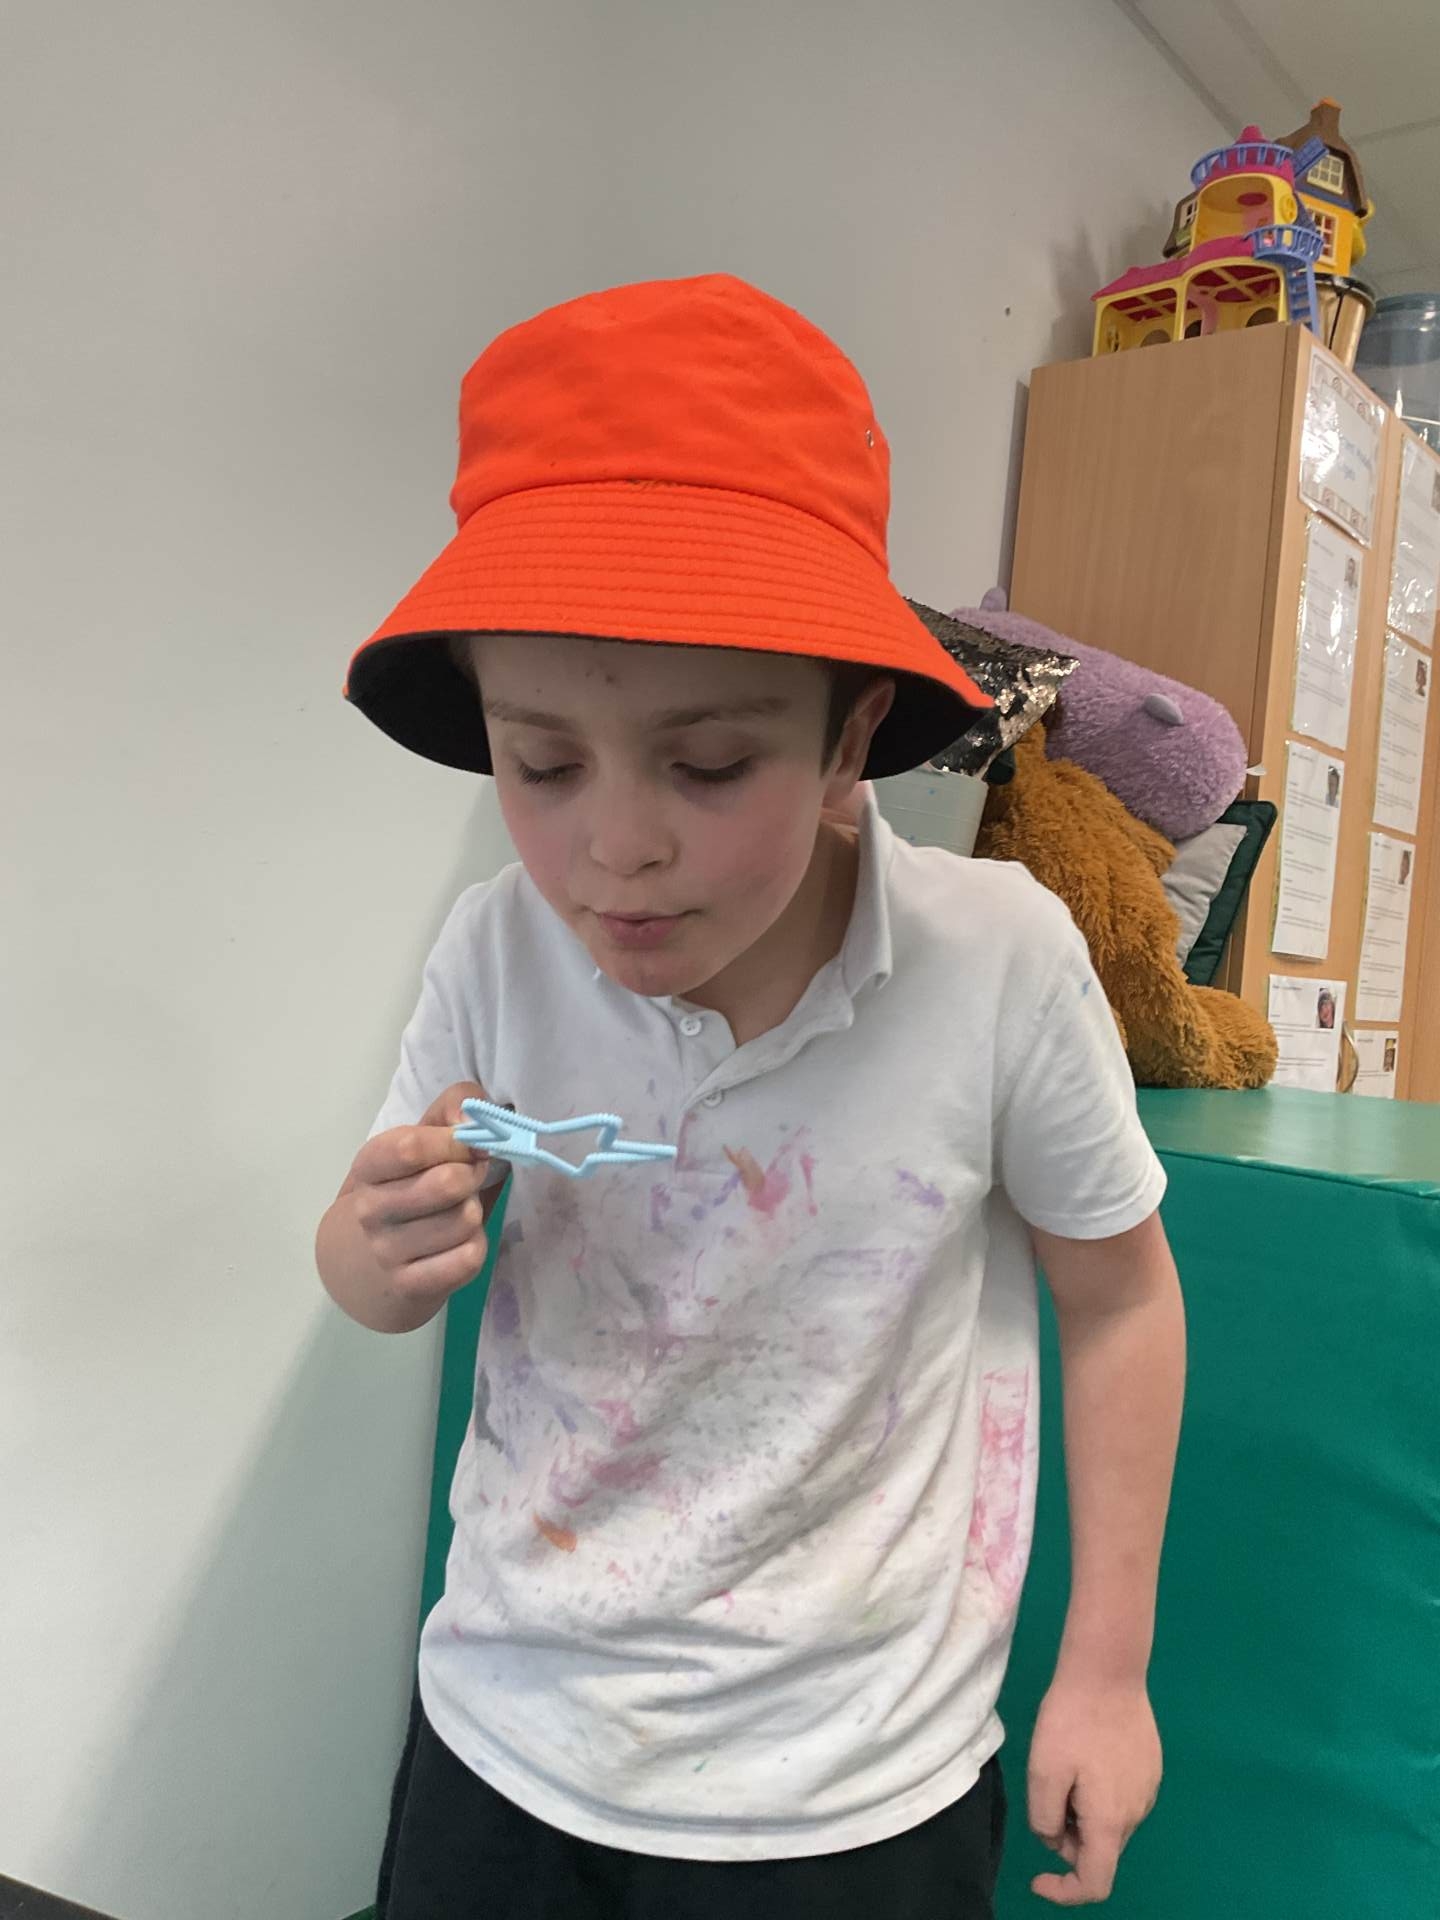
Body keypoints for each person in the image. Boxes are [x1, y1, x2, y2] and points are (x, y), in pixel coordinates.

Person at [318, 275, 1185, 1920]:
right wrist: (377, 1252)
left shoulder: (996, 960)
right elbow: (369, 1284)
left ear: (853, 735)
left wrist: (1106, 1672)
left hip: (854, 1790)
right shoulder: (500, 947)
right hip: (506, 1729)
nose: (616, 847)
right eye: (540, 764)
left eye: (709, 766)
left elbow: (1123, 1299)